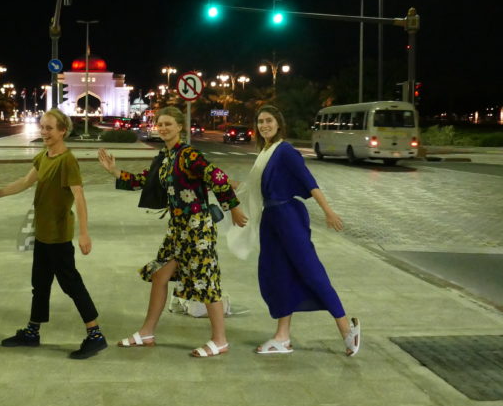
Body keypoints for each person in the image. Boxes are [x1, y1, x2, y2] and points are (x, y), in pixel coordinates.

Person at [97, 106, 246, 358]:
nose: (163, 128)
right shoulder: (165, 157)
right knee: (159, 275)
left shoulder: (189, 155)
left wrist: (234, 208)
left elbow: (217, 177)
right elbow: (145, 181)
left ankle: (220, 340)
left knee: (206, 280)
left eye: (168, 124)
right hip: (177, 229)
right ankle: (147, 332)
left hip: (197, 228)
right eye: (160, 124)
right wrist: (114, 171)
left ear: (179, 127)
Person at [229, 104, 360, 357]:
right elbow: (250, 187)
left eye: (269, 120)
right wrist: (216, 180)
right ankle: (282, 337)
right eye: (260, 122)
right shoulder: (265, 152)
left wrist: (328, 211)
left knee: (310, 270)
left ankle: (347, 329)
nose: (264, 125)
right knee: (277, 274)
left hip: (288, 217)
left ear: (279, 123)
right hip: (271, 219)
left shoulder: (285, 151)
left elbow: (310, 182)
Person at [0, 108, 106, 360]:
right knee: (39, 285)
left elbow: (79, 197)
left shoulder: (67, 161)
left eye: (49, 128)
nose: (44, 132)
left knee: (71, 284)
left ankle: (95, 335)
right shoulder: (43, 157)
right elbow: (24, 182)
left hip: (59, 236)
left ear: (63, 131)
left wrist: (84, 233)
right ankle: (32, 332)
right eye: (42, 127)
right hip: (42, 233)